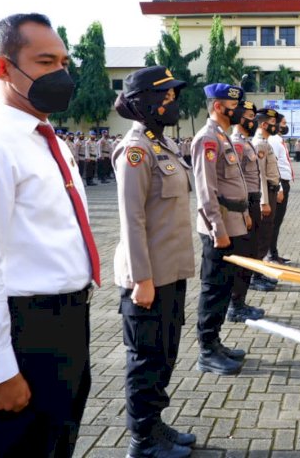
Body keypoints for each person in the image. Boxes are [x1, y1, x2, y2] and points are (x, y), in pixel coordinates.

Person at [0, 13, 97, 456]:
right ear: (4, 68)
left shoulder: (48, 140)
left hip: (66, 328)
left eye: (64, 62)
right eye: (45, 61)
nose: (60, 73)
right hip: (22, 336)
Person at [112, 66, 195, 458]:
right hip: (147, 278)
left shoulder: (164, 146)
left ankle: (156, 424)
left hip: (171, 272)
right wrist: (141, 278)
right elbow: (132, 219)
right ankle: (142, 440)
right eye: (166, 96)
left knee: (164, 353)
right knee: (145, 359)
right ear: (146, 102)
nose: (173, 102)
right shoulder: (135, 150)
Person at [190, 83, 250, 376]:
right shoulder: (207, 139)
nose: (239, 110)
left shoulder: (223, 137)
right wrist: (218, 228)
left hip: (232, 223)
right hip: (219, 227)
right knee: (213, 289)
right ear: (218, 107)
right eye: (234, 104)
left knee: (225, 286)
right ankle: (206, 351)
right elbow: (206, 191)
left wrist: (246, 215)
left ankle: (216, 342)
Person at [227, 99, 267, 322]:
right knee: (244, 254)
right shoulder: (237, 143)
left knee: (251, 251)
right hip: (246, 203)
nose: (253, 122)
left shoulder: (247, 142)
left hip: (253, 200)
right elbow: (237, 179)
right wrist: (244, 210)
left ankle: (240, 302)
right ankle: (235, 305)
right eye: (250, 118)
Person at [251, 108, 282, 290]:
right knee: (262, 237)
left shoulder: (265, 142)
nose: (275, 126)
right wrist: (264, 201)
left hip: (271, 191)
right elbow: (260, 175)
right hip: (266, 194)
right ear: (263, 124)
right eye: (272, 123)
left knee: (266, 234)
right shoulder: (259, 144)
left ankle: (259, 272)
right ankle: (255, 276)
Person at [268, 113, 294, 265]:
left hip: (284, 183)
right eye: (283, 123)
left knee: (277, 222)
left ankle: (273, 252)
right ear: (275, 124)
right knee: (273, 221)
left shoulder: (279, 140)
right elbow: (273, 166)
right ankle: (270, 255)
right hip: (278, 184)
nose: (285, 126)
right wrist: (278, 188)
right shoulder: (273, 141)